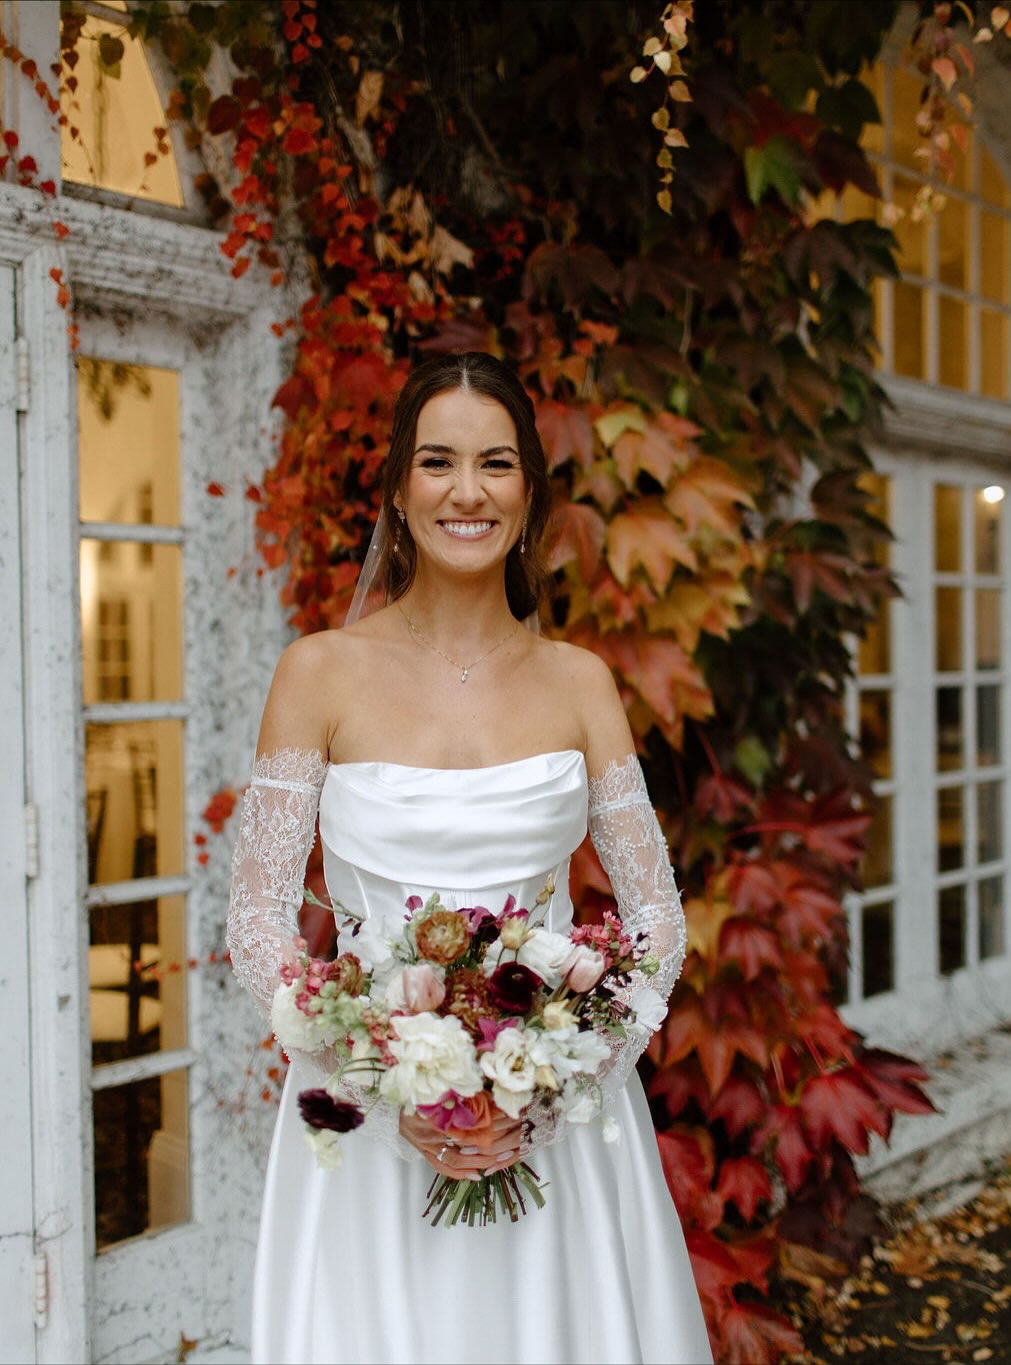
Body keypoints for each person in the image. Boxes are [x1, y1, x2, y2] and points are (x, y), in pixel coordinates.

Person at [226, 352, 713, 1365]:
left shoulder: (579, 682)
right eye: (436, 462)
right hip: (363, 1124)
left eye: (495, 464)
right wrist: (376, 1071)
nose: (466, 490)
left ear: (527, 492)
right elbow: (259, 918)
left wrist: (557, 1073)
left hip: (561, 1117)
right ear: (399, 492)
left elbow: (655, 914)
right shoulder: (317, 672)